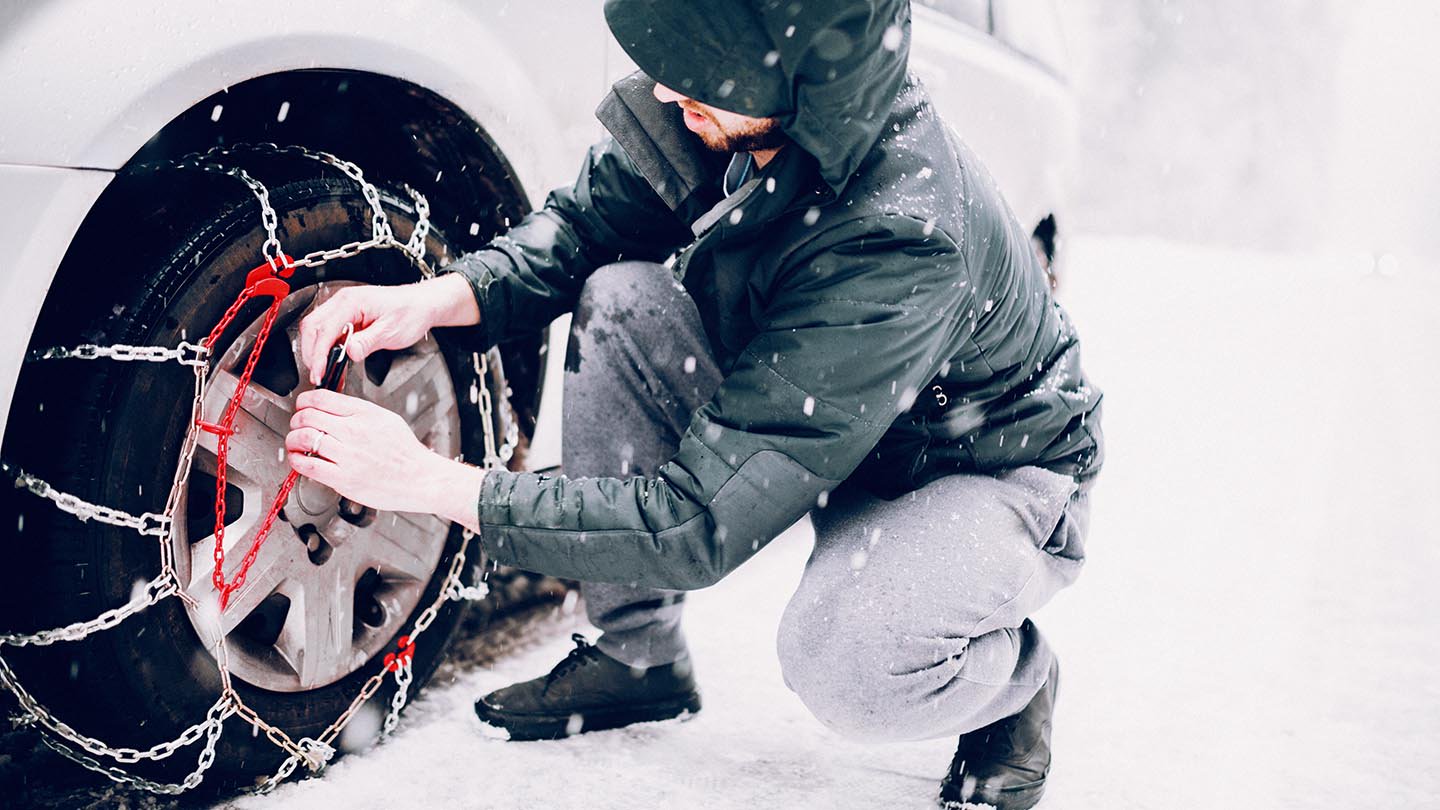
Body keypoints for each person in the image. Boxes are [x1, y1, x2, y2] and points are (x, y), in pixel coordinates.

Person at [285, 1, 1103, 807]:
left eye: (702, 74)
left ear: (793, 76)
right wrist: (440, 296)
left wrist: (427, 482)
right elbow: (586, 227)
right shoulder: (739, 113)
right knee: (623, 299)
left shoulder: (900, 238)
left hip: (982, 468)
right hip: (842, 426)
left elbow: (694, 522)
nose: (668, 90)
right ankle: (638, 656)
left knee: (848, 661)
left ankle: (1014, 684)